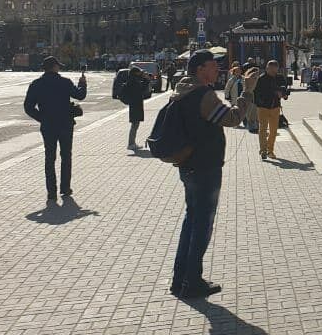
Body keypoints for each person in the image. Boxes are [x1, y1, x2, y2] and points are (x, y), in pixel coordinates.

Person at [169, 50, 248, 300]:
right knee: (202, 224)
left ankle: (179, 278)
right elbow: (232, 118)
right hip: (205, 167)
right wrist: (247, 92)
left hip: (188, 165)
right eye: (214, 66)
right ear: (201, 69)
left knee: (191, 220)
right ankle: (192, 281)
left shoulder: (180, 91)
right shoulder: (202, 95)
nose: (218, 70)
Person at [23, 56, 87, 205]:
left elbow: (28, 107)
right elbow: (80, 95)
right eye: (58, 66)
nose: (59, 68)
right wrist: (82, 84)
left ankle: (51, 193)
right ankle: (65, 188)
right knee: (66, 156)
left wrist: (42, 118)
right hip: (65, 124)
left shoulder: (36, 84)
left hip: (48, 125)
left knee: (49, 158)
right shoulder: (64, 82)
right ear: (54, 67)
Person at [253, 60, 286, 159]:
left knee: (274, 131)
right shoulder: (261, 79)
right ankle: (263, 150)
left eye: (275, 70)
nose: (273, 72)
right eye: (271, 70)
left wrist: (283, 95)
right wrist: (260, 103)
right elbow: (256, 93)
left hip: (275, 107)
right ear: (267, 68)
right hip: (262, 108)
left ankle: (270, 150)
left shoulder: (279, 78)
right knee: (263, 129)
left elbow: (285, 90)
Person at [120, 65, 151, 152]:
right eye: (139, 72)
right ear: (135, 73)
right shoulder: (134, 82)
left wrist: (145, 79)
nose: (140, 73)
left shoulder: (133, 80)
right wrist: (146, 79)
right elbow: (141, 89)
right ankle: (131, 144)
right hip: (135, 105)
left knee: (135, 124)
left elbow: (141, 89)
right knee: (135, 124)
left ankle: (132, 143)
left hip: (134, 105)